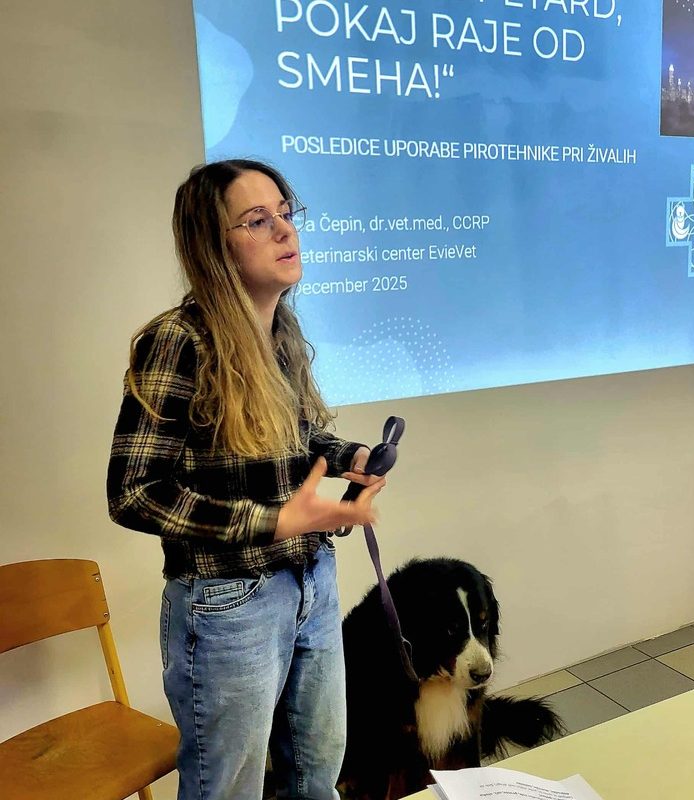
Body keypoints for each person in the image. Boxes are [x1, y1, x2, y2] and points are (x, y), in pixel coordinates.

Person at [107, 159, 385, 800]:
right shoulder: (177, 340)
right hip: (230, 604)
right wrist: (274, 520)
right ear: (214, 244)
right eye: (258, 220)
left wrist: (351, 455)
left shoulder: (278, 328)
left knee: (316, 779)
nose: (286, 231)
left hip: (311, 580)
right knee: (228, 791)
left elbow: (296, 439)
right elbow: (134, 492)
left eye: (286, 213)